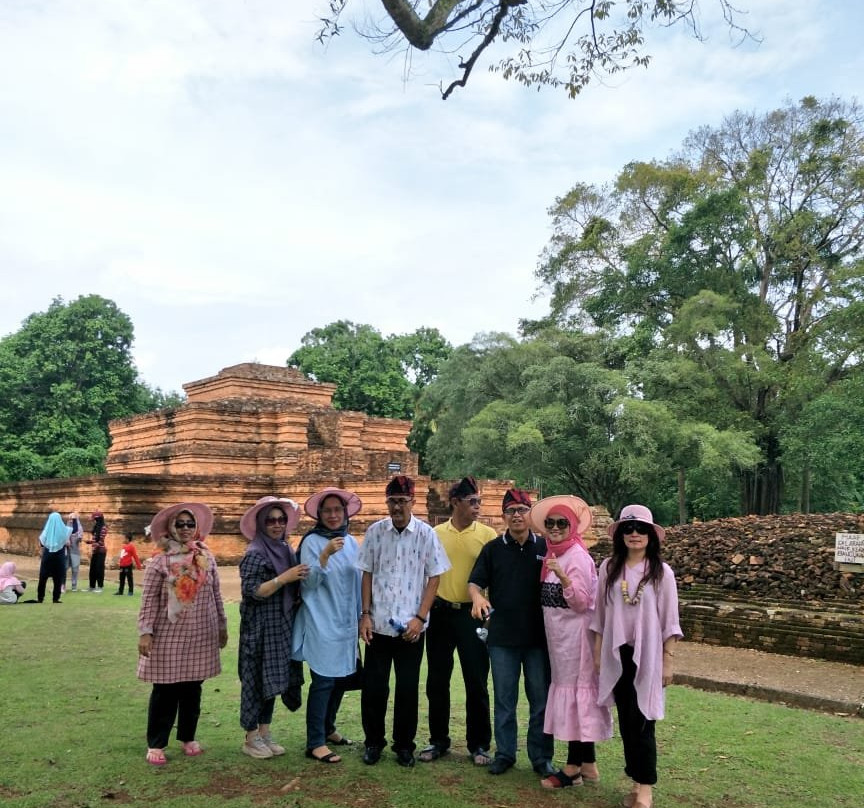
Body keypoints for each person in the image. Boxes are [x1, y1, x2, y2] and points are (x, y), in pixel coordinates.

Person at [591, 505, 683, 808]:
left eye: (640, 529)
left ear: (650, 535)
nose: (634, 534)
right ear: (620, 534)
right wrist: (597, 655)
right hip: (618, 654)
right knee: (628, 720)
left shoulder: (661, 572)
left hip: (650, 655)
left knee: (644, 719)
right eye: (628, 528)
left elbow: (670, 621)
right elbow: (600, 616)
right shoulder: (609, 568)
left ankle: (646, 787)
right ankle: (635, 776)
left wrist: (668, 661)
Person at [357, 475, 451, 768]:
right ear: (387, 502)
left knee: (407, 689)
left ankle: (404, 746)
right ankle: (373, 743)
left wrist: (421, 617)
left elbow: (435, 576)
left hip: (411, 628)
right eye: (393, 501)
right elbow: (367, 574)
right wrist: (365, 614)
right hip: (379, 625)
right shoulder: (375, 532)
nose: (397, 506)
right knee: (374, 688)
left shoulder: (425, 534)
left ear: (413, 501)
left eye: (402, 501)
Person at [468, 488, 555, 777]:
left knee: (540, 700)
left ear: (530, 514)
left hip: (538, 638)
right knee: (505, 699)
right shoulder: (493, 549)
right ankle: (505, 753)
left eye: (521, 510)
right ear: (504, 516)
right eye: (511, 511)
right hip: (503, 637)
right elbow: (475, 582)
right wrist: (478, 598)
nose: (517, 515)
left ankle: (541, 756)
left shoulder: (545, 547)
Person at [137, 502, 228, 766]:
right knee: (165, 689)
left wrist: (222, 625)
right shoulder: (160, 560)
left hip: (201, 630)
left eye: (190, 524)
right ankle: (156, 743)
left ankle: (188, 737)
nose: (186, 529)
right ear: (170, 528)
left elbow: (215, 594)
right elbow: (149, 600)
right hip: (168, 631)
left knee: (192, 688)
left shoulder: (205, 557)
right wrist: (146, 632)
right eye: (180, 524)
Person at [532, 495, 612, 789]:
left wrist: (564, 577)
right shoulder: (555, 554)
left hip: (577, 641)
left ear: (573, 527)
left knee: (579, 702)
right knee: (575, 699)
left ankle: (572, 767)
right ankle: (588, 764)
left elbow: (581, 602)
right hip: (560, 642)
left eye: (562, 523)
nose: (555, 528)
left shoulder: (576, 557)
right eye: (550, 523)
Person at [420, 476, 496, 766]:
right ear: (455, 503)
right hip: (440, 612)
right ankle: (439, 740)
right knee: (437, 679)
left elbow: (495, 578)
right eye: (472, 502)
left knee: (476, 680)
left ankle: (479, 744)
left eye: (479, 501)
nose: (477, 507)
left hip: (472, 615)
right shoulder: (435, 533)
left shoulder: (488, 535)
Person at [292, 487, 363, 764]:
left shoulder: (351, 541)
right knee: (323, 681)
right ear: (319, 515)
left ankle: (329, 727)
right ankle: (315, 742)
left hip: (346, 621)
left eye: (338, 510)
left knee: (342, 679)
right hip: (321, 620)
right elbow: (307, 583)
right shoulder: (312, 542)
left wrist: (361, 616)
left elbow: (357, 581)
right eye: (327, 510)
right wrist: (323, 556)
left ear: (344, 513)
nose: (333, 515)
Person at [238, 496, 309, 760]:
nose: (277, 525)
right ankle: (250, 737)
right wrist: (284, 578)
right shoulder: (255, 553)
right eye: (271, 520)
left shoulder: (285, 550)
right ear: (260, 523)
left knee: (272, 680)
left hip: (280, 625)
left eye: (281, 520)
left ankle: (265, 732)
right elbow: (253, 591)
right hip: (259, 628)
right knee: (255, 682)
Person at [37, 511, 72, 603]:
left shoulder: (46, 531)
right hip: (59, 557)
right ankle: (56, 598)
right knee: (58, 577)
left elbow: (41, 543)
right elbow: (67, 543)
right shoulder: (64, 531)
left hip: (47, 556)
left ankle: (40, 597)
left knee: (43, 577)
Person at [86, 511, 108, 592]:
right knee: (93, 569)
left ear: (98, 519)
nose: (94, 521)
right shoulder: (96, 528)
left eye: (95, 519)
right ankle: (92, 586)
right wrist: (89, 542)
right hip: (95, 551)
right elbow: (95, 540)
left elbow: (101, 541)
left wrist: (95, 545)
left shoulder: (103, 528)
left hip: (101, 551)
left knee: (99, 569)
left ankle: (100, 587)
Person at [65, 512, 84, 592]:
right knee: (64, 568)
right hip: (67, 552)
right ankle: (62, 584)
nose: (72, 521)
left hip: (75, 551)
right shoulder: (67, 528)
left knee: (75, 569)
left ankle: (74, 585)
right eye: (70, 519)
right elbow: (65, 535)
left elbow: (80, 537)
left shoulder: (79, 530)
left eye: (73, 519)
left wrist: (78, 537)